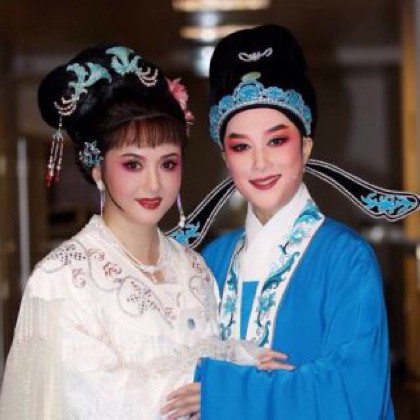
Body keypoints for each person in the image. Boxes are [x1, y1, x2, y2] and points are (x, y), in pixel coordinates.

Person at [0, 43, 258, 420]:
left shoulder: (194, 270)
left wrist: (234, 383)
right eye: (133, 164)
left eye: (167, 163)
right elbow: (93, 400)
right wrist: (219, 381)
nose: (153, 183)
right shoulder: (61, 278)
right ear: (97, 169)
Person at [164, 24, 395, 419]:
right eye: (241, 146)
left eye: (276, 140)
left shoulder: (346, 259)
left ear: (305, 145)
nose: (259, 163)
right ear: (225, 158)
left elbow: (353, 394)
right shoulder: (209, 263)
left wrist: (224, 393)